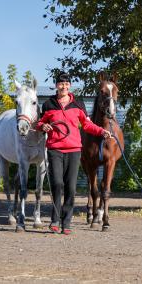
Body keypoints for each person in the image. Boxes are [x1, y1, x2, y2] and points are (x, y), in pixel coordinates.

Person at [37, 72, 111, 235]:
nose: (63, 86)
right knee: (57, 184)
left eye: (66, 84)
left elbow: (86, 124)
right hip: (55, 149)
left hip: (74, 150)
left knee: (70, 187)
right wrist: (43, 126)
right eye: (60, 84)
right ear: (56, 86)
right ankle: (55, 220)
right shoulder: (49, 104)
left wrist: (102, 131)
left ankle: (67, 222)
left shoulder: (78, 104)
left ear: (69, 85)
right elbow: (40, 123)